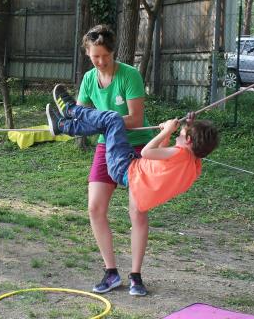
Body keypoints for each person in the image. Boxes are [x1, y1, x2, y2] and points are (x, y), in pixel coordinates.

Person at [47, 86, 219, 296]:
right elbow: (165, 158)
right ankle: (63, 126)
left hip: (123, 167)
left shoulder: (179, 152)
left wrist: (166, 131)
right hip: (131, 169)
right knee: (108, 127)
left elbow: (147, 152)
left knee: (112, 119)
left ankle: (72, 111)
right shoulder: (193, 165)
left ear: (189, 141)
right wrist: (188, 127)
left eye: (182, 135)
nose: (177, 136)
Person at [64, 25, 154, 293]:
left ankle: (136, 276)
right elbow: (82, 117)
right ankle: (111, 272)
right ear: (88, 55)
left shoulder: (130, 76)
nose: (101, 62)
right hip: (106, 147)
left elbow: (135, 119)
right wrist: (87, 121)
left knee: (137, 210)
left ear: (113, 52)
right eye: (95, 57)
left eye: (105, 56)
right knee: (94, 208)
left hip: (138, 146)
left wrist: (105, 120)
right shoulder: (89, 79)